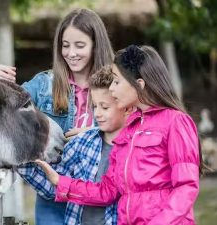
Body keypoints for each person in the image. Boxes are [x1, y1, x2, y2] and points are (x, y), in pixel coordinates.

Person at [37, 45, 205, 225]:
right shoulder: (129, 130)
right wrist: (61, 182)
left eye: (116, 82)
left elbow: (186, 187)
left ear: (139, 85)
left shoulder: (176, 122)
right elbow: (107, 191)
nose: (111, 89)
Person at [0, 8, 115, 225]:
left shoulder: (116, 85)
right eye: (65, 46)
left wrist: (96, 132)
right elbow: (6, 114)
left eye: (80, 45)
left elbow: (136, 128)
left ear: (96, 45)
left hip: (101, 201)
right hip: (53, 199)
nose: (71, 53)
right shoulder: (43, 85)